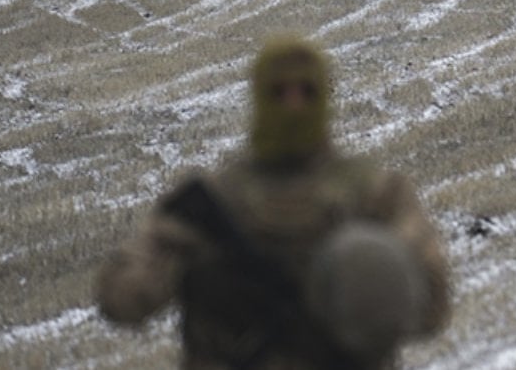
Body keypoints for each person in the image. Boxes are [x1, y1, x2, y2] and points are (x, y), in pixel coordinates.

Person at [95, 37, 450, 369]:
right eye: (279, 92)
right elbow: (121, 301)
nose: (293, 106)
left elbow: (432, 307)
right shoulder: (214, 201)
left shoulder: (373, 194)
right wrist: (178, 255)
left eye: (306, 92)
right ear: (260, 99)